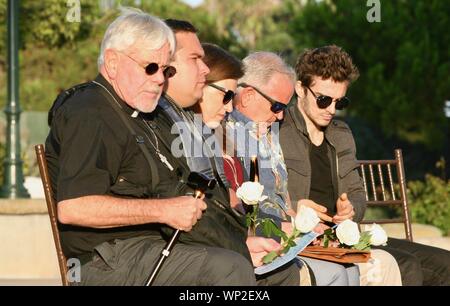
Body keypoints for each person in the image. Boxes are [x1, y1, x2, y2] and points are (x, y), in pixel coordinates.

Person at [45, 9, 257, 285]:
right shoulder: (90, 111)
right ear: (112, 62)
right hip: (105, 260)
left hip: (157, 246)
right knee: (229, 269)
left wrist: (239, 240)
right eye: (150, 67)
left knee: (276, 272)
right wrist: (163, 210)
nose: (160, 78)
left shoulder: (143, 115)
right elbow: (74, 208)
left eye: (166, 69)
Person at [279, 44, 450, 285]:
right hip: (309, 241)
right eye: (324, 100)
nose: (331, 110)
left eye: (340, 103)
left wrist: (351, 211)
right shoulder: (278, 130)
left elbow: (357, 193)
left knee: (445, 264)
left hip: (347, 237)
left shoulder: (341, 134)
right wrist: (296, 208)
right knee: (407, 266)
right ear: (300, 89)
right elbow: (266, 193)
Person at [154, 20, 305, 285]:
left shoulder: (209, 131)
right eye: (226, 96)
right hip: (189, 250)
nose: (230, 107)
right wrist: (243, 242)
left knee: (289, 270)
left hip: (224, 241)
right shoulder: (183, 129)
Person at [227, 51, 362, 286]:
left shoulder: (265, 134)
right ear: (247, 96)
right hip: (258, 242)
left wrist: (300, 218)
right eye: (277, 106)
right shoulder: (230, 135)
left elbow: (279, 199)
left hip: (290, 235)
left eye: (339, 102)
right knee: (338, 272)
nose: (280, 115)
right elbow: (236, 208)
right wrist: (292, 225)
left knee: (350, 270)